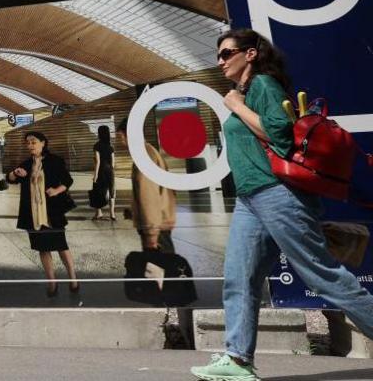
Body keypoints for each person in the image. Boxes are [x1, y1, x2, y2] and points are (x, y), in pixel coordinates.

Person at [191, 29, 373, 381]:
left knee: (324, 277)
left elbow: (278, 134)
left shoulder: (262, 86)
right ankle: (237, 361)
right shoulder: (248, 90)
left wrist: (236, 106)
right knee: (239, 278)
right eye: (218, 55)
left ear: (251, 54)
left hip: (278, 194)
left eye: (227, 53)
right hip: (251, 199)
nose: (220, 61)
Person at [7, 131, 78, 296]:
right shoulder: (26, 164)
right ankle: (52, 283)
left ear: (43, 143)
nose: (30, 145)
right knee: (43, 249)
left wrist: (57, 190)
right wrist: (15, 173)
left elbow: (68, 181)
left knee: (61, 245)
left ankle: (73, 278)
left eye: (33, 142)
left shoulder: (54, 161)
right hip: (33, 214)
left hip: (52, 211)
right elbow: (10, 179)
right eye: (28, 143)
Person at [116, 119, 176, 251]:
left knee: (159, 269)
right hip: (159, 223)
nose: (120, 142)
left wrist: (151, 233)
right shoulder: (148, 152)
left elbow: (149, 195)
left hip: (156, 228)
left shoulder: (145, 156)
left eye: (121, 137)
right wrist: (134, 211)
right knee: (163, 267)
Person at [90, 125, 117, 221]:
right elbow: (113, 163)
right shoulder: (111, 146)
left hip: (101, 171)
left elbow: (98, 162)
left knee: (97, 191)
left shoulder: (97, 145)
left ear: (99, 134)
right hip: (110, 171)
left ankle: (99, 213)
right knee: (111, 191)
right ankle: (112, 214)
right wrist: (110, 170)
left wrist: (95, 175)